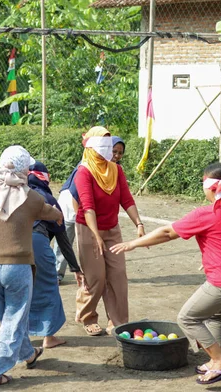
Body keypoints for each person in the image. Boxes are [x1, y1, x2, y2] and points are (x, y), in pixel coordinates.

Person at [111, 163, 221, 385]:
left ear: (209, 187)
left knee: (187, 317)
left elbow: (168, 233)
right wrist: (210, 260)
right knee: (215, 315)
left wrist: (133, 243)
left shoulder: (207, 213)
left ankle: (220, 362)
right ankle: (216, 360)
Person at [0, 146, 63, 389]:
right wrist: (58, 216)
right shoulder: (32, 198)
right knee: (13, 319)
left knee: (10, 320)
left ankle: (29, 354)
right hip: (16, 265)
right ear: (25, 170)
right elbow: (51, 212)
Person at [74, 127, 143, 336]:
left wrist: (138, 223)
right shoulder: (83, 171)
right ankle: (88, 317)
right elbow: (87, 206)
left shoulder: (116, 170)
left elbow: (126, 199)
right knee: (96, 278)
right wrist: (96, 236)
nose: (108, 150)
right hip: (88, 228)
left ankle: (118, 321)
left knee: (118, 276)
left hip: (112, 228)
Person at [27, 161, 85, 349]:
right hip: (37, 243)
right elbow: (62, 239)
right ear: (44, 177)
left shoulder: (17, 193)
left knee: (21, 290)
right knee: (47, 287)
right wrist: (75, 268)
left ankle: (21, 336)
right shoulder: (48, 199)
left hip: (10, 247)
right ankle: (49, 337)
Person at [55, 136, 126, 283]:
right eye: (112, 151)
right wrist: (81, 219)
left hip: (87, 212)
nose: (116, 156)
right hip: (71, 208)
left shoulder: (112, 169)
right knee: (65, 242)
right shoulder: (87, 167)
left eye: (120, 153)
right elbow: (75, 197)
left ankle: (95, 274)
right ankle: (56, 274)